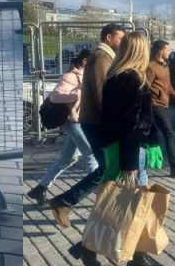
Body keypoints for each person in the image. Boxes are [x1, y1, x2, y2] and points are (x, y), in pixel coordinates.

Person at [91, 32, 163, 266]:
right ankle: (128, 254)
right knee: (129, 199)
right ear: (141, 51)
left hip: (116, 143)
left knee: (115, 195)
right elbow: (132, 122)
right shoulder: (133, 79)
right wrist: (130, 162)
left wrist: (151, 141)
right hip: (127, 146)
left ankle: (133, 253)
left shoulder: (116, 75)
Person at [48, 24, 126, 230]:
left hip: (95, 121)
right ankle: (65, 202)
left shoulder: (104, 56)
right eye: (120, 38)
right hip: (98, 122)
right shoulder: (102, 57)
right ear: (109, 37)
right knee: (110, 168)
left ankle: (68, 202)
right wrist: (113, 123)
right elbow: (103, 95)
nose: (123, 42)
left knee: (109, 168)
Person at [26, 51, 97, 205]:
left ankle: (40, 188)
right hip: (72, 122)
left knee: (68, 158)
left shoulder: (86, 75)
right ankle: (102, 193)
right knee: (90, 153)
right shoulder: (71, 76)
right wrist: (77, 94)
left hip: (79, 120)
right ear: (85, 61)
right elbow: (55, 96)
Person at [147, 40, 175, 178]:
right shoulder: (151, 67)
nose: (170, 52)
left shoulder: (165, 66)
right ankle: (174, 168)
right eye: (168, 49)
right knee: (169, 133)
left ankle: (171, 166)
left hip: (162, 104)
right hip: (154, 105)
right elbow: (145, 87)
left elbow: (169, 87)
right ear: (160, 51)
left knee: (160, 135)